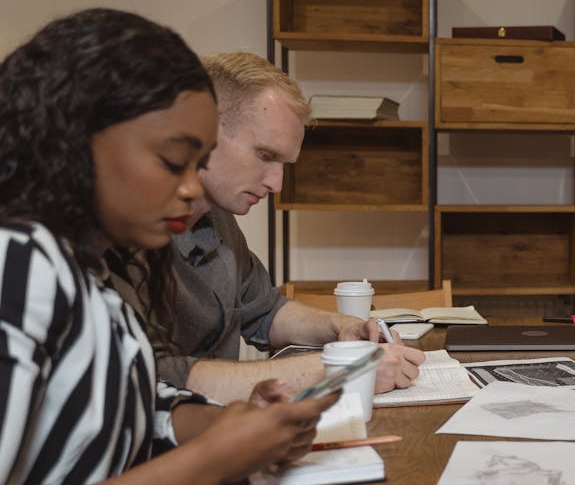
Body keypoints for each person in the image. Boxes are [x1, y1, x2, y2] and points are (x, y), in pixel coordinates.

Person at [0, 9, 338, 485]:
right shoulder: (19, 264)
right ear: (76, 141)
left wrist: (228, 427)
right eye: (171, 162)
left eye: (197, 164)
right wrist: (206, 462)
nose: (189, 188)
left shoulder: (89, 266)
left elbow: (123, 409)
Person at [111, 51, 423, 403]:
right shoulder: (124, 232)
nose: (276, 183)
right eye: (265, 156)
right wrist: (339, 370)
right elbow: (152, 378)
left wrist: (341, 327)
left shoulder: (219, 217)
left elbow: (265, 310)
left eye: (284, 163)